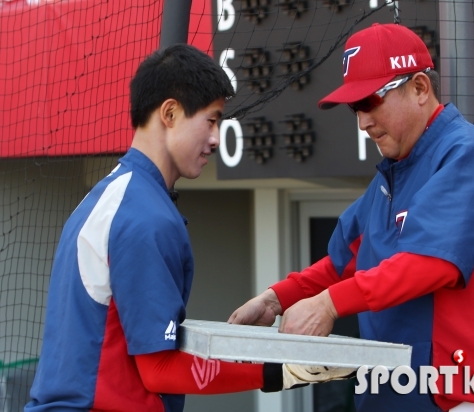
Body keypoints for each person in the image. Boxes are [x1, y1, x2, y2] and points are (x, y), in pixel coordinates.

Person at [25, 44, 355, 412]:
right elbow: (160, 370)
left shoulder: (111, 196)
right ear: (169, 113)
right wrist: (280, 370)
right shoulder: (146, 217)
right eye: (211, 120)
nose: (216, 138)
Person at [229, 23, 474, 412]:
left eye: (371, 101)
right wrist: (276, 299)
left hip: (461, 395)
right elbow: (343, 262)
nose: (362, 121)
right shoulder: (393, 170)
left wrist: (328, 306)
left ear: (420, 88)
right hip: (391, 391)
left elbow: (430, 264)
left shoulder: (466, 150)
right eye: (356, 107)